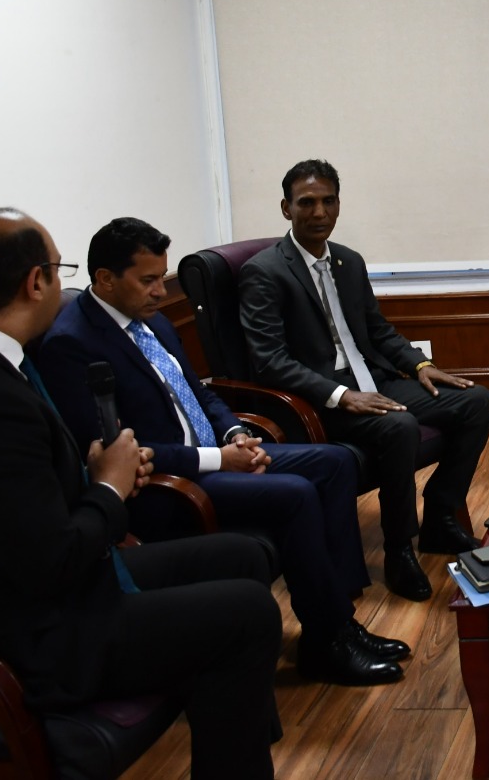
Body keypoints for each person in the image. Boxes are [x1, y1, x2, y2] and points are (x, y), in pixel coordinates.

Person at [0, 209, 280, 779]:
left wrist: (94, 475)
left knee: (238, 555)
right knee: (246, 613)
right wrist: (109, 485)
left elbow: (17, 501)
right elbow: (55, 560)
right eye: (59, 269)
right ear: (35, 283)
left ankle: (236, 723)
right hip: (13, 636)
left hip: (21, 587)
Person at [34, 217, 408, 686]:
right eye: (148, 280)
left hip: (214, 452)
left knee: (335, 462)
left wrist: (234, 434)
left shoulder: (153, 321)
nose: (160, 291)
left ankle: (340, 619)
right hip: (168, 483)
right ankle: (327, 642)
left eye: (162, 277)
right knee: (294, 494)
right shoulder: (71, 344)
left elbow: (200, 392)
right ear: (106, 279)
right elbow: (113, 451)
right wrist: (218, 459)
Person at [239, 159, 489, 601]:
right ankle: (399, 549)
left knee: (476, 400)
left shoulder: (348, 261)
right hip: (318, 398)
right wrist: (341, 395)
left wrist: (419, 366)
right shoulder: (265, 271)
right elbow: (270, 361)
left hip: (371, 378)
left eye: (328, 201)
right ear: (286, 208)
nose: (319, 212)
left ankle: (440, 516)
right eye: (307, 203)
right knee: (399, 426)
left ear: (339, 204)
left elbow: (377, 330)